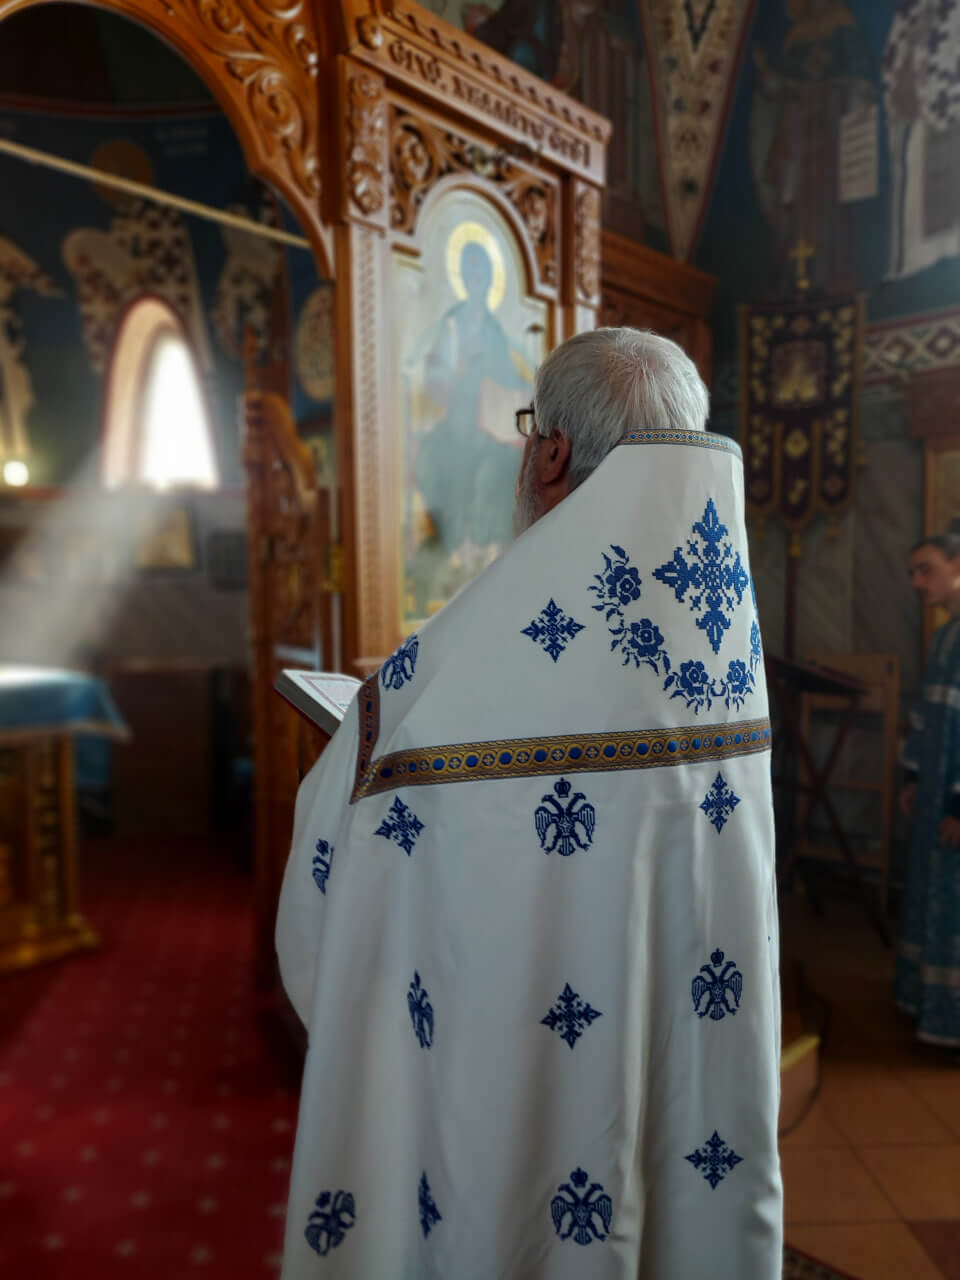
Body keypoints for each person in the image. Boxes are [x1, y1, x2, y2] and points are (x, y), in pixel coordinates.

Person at [276, 328, 783, 1278]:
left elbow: (343, 846)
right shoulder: (723, 627)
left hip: (511, 1071)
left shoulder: (478, 644)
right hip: (683, 1039)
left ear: (550, 453)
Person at [896, 532, 960, 1048]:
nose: (918, 582)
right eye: (913, 572)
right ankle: (928, 1007)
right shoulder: (943, 637)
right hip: (935, 790)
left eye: (927, 569)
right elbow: (926, 715)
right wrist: (914, 777)